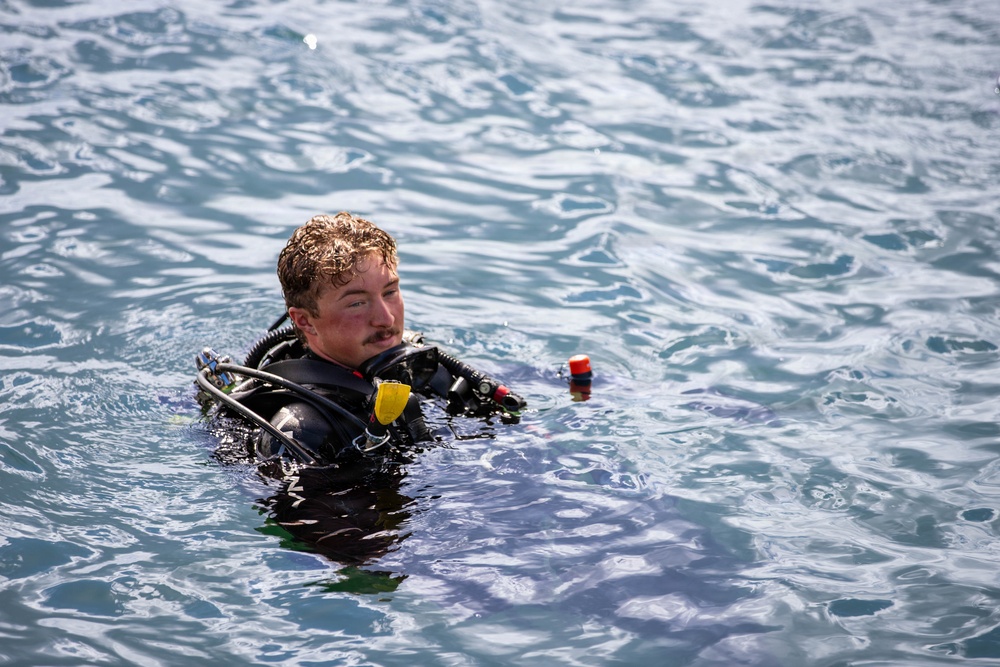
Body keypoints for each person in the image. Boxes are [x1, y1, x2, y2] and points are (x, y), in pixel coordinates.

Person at [196, 211, 525, 562]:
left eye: (390, 292)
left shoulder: (418, 366)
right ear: (305, 321)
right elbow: (355, 550)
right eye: (357, 303)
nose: (386, 318)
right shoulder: (302, 429)